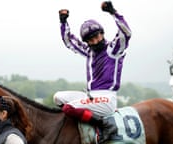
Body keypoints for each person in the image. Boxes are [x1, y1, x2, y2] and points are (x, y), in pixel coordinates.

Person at [53, 1, 131, 143]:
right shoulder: (89, 52)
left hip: (107, 99)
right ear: (87, 42)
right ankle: (84, 120)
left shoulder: (113, 49)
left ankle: (105, 126)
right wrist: (63, 21)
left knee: (68, 109)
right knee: (58, 97)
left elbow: (126, 33)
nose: (95, 41)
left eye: (97, 36)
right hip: (91, 97)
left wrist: (113, 12)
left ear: (102, 33)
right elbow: (69, 42)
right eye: (91, 40)